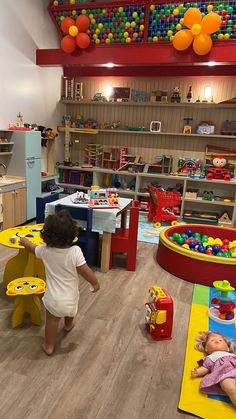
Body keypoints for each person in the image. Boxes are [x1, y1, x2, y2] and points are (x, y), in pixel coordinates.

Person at [19, 210, 100, 356]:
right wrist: (95, 284)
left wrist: (25, 242)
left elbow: (32, 248)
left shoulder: (45, 251)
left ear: (47, 235)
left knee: (52, 322)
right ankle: (68, 325)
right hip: (71, 297)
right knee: (69, 311)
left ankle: (49, 346)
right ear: (72, 235)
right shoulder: (75, 251)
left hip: (53, 299)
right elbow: (85, 271)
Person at [191, 331, 236, 407]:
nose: (216, 341)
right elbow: (206, 367)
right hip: (225, 376)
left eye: (220, 340)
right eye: (212, 340)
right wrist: (198, 372)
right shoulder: (210, 357)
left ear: (228, 348)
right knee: (231, 389)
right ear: (206, 349)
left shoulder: (232, 355)